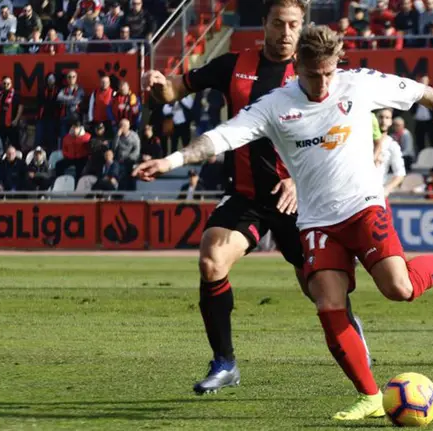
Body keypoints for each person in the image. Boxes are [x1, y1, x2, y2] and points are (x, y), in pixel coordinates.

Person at [136, 25, 433, 419]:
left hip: (364, 207)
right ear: (297, 65)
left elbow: (419, 92)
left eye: (329, 73)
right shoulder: (274, 105)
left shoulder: (359, 84)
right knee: (328, 303)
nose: (322, 83)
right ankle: (369, 394)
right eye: (313, 74)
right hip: (316, 222)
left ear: (338, 64)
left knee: (399, 289)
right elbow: (220, 138)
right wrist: (171, 161)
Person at [136, 0, 357, 397]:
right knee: (211, 259)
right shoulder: (233, 64)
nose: (286, 32)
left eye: (293, 24)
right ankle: (224, 363)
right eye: (279, 23)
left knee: (321, 290)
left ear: (303, 25)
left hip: (301, 199)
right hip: (246, 196)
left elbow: (337, 134)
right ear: (265, 24)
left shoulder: (320, 75)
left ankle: (356, 348)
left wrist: (299, 179)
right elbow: (174, 89)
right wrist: (158, 87)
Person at [374, 109, 406, 197]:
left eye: (387, 118)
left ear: (391, 122)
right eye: (381, 117)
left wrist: (387, 189)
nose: (384, 121)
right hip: (358, 193)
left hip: (377, 194)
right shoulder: (363, 141)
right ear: (375, 119)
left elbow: (400, 173)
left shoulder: (392, 145)